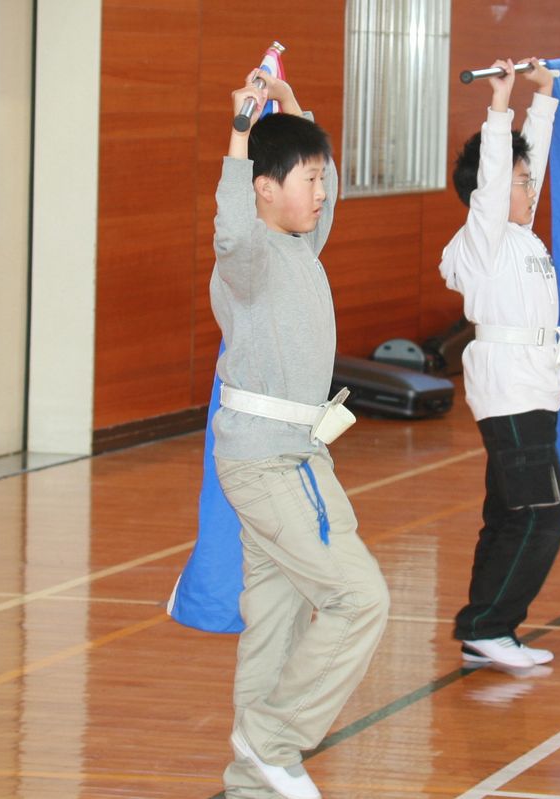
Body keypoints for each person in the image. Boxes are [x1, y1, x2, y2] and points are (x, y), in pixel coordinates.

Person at [210, 69, 390, 799]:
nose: (322, 192)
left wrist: (294, 112)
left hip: (297, 459)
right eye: (308, 179)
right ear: (263, 187)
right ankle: (272, 740)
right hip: (266, 465)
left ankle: (251, 781)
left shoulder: (302, 248)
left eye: (321, 179)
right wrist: (242, 132)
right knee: (362, 598)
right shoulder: (248, 260)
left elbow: (323, 193)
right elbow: (228, 225)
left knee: (276, 621)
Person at [441, 58, 560, 670]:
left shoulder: (521, 235)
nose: (529, 187)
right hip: (511, 392)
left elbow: (525, 170)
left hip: (534, 387)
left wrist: (542, 101)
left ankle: (482, 627)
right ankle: (492, 626)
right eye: (520, 182)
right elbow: (498, 181)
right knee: (541, 516)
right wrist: (500, 105)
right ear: (487, 194)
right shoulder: (483, 236)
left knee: (508, 512)